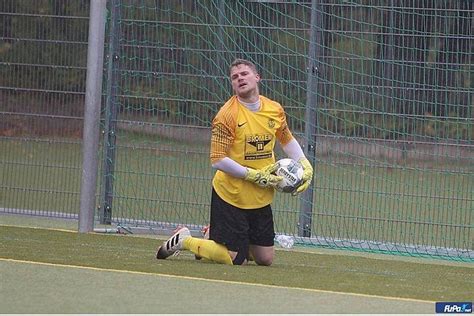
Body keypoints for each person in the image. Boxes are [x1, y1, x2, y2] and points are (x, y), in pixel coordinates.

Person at [156, 58, 313, 265]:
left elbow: (286, 139)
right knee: (235, 258)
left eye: (244, 74)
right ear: (232, 84)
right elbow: (218, 160)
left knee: (265, 260)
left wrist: (305, 164)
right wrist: (251, 175)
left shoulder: (274, 109)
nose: (240, 79)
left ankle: (214, 236)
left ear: (257, 77)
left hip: (260, 195)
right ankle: (185, 240)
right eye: (235, 77)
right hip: (231, 195)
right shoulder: (227, 115)